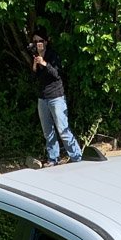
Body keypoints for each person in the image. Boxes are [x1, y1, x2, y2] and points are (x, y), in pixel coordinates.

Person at [28, 30, 83, 167]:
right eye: (35, 41)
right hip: (43, 98)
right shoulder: (35, 56)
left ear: (45, 42)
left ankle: (76, 156)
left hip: (56, 97)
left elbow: (57, 74)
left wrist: (45, 63)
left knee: (62, 129)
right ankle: (53, 158)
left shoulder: (53, 56)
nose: (37, 44)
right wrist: (35, 65)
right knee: (48, 131)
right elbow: (34, 79)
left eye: (39, 41)